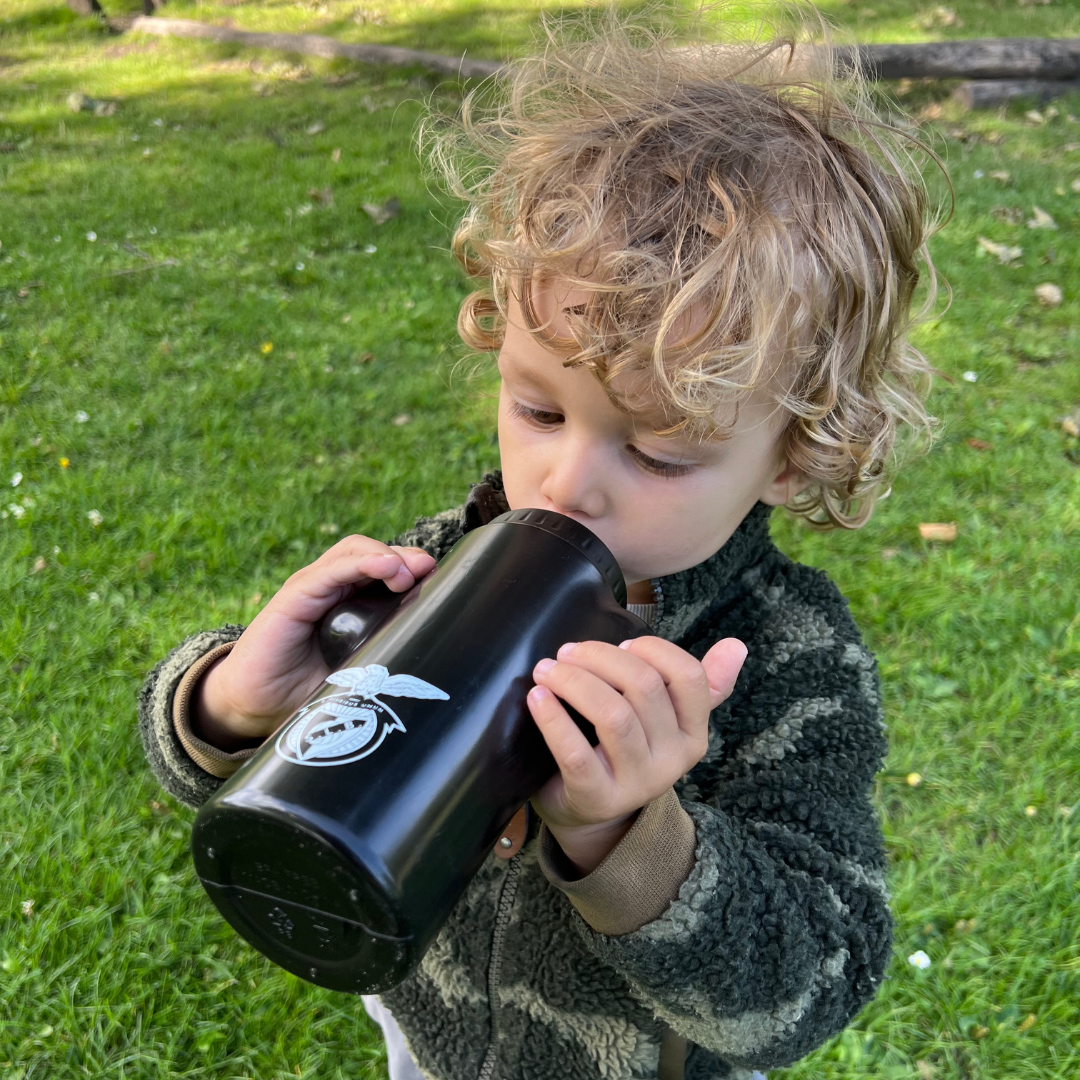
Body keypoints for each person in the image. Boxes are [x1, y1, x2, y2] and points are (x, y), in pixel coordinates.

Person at [138, 10, 940, 1080]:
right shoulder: (446, 569)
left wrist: (630, 836)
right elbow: (283, 801)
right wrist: (232, 704)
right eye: (539, 409)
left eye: (658, 452)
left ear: (795, 456)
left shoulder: (787, 661)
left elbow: (807, 990)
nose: (568, 483)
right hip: (429, 1042)